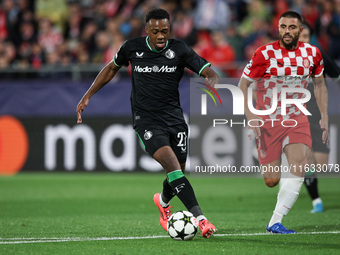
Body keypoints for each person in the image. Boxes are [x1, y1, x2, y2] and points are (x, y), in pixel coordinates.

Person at [76, 8, 218, 238]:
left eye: (165, 31)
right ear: (147, 31)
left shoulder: (179, 49)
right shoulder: (132, 48)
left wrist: (211, 81)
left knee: (178, 175)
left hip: (175, 120)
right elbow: (111, 68)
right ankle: (201, 220)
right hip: (146, 120)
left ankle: (162, 201)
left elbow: (210, 72)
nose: (161, 36)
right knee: (173, 167)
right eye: (155, 31)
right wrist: (88, 95)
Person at [238, 11, 328, 234]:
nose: (287, 31)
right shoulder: (264, 53)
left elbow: (319, 85)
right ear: (278, 28)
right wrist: (250, 114)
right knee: (271, 180)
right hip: (268, 119)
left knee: (299, 164)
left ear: (300, 30)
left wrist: (324, 115)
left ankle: (274, 222)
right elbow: (242, 85)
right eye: (283, 27)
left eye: (292, 27)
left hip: (297, 117)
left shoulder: (312, 54)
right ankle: (273, 160)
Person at [299, 21, 340, 213]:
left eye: (307, 37)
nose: (303, 40)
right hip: (297, 116)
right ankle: (316, 200)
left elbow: (337, 76)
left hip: (319, 115)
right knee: (306, 159)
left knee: (321, 163)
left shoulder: (318, 55)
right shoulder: (284, 58)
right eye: (301, 37)